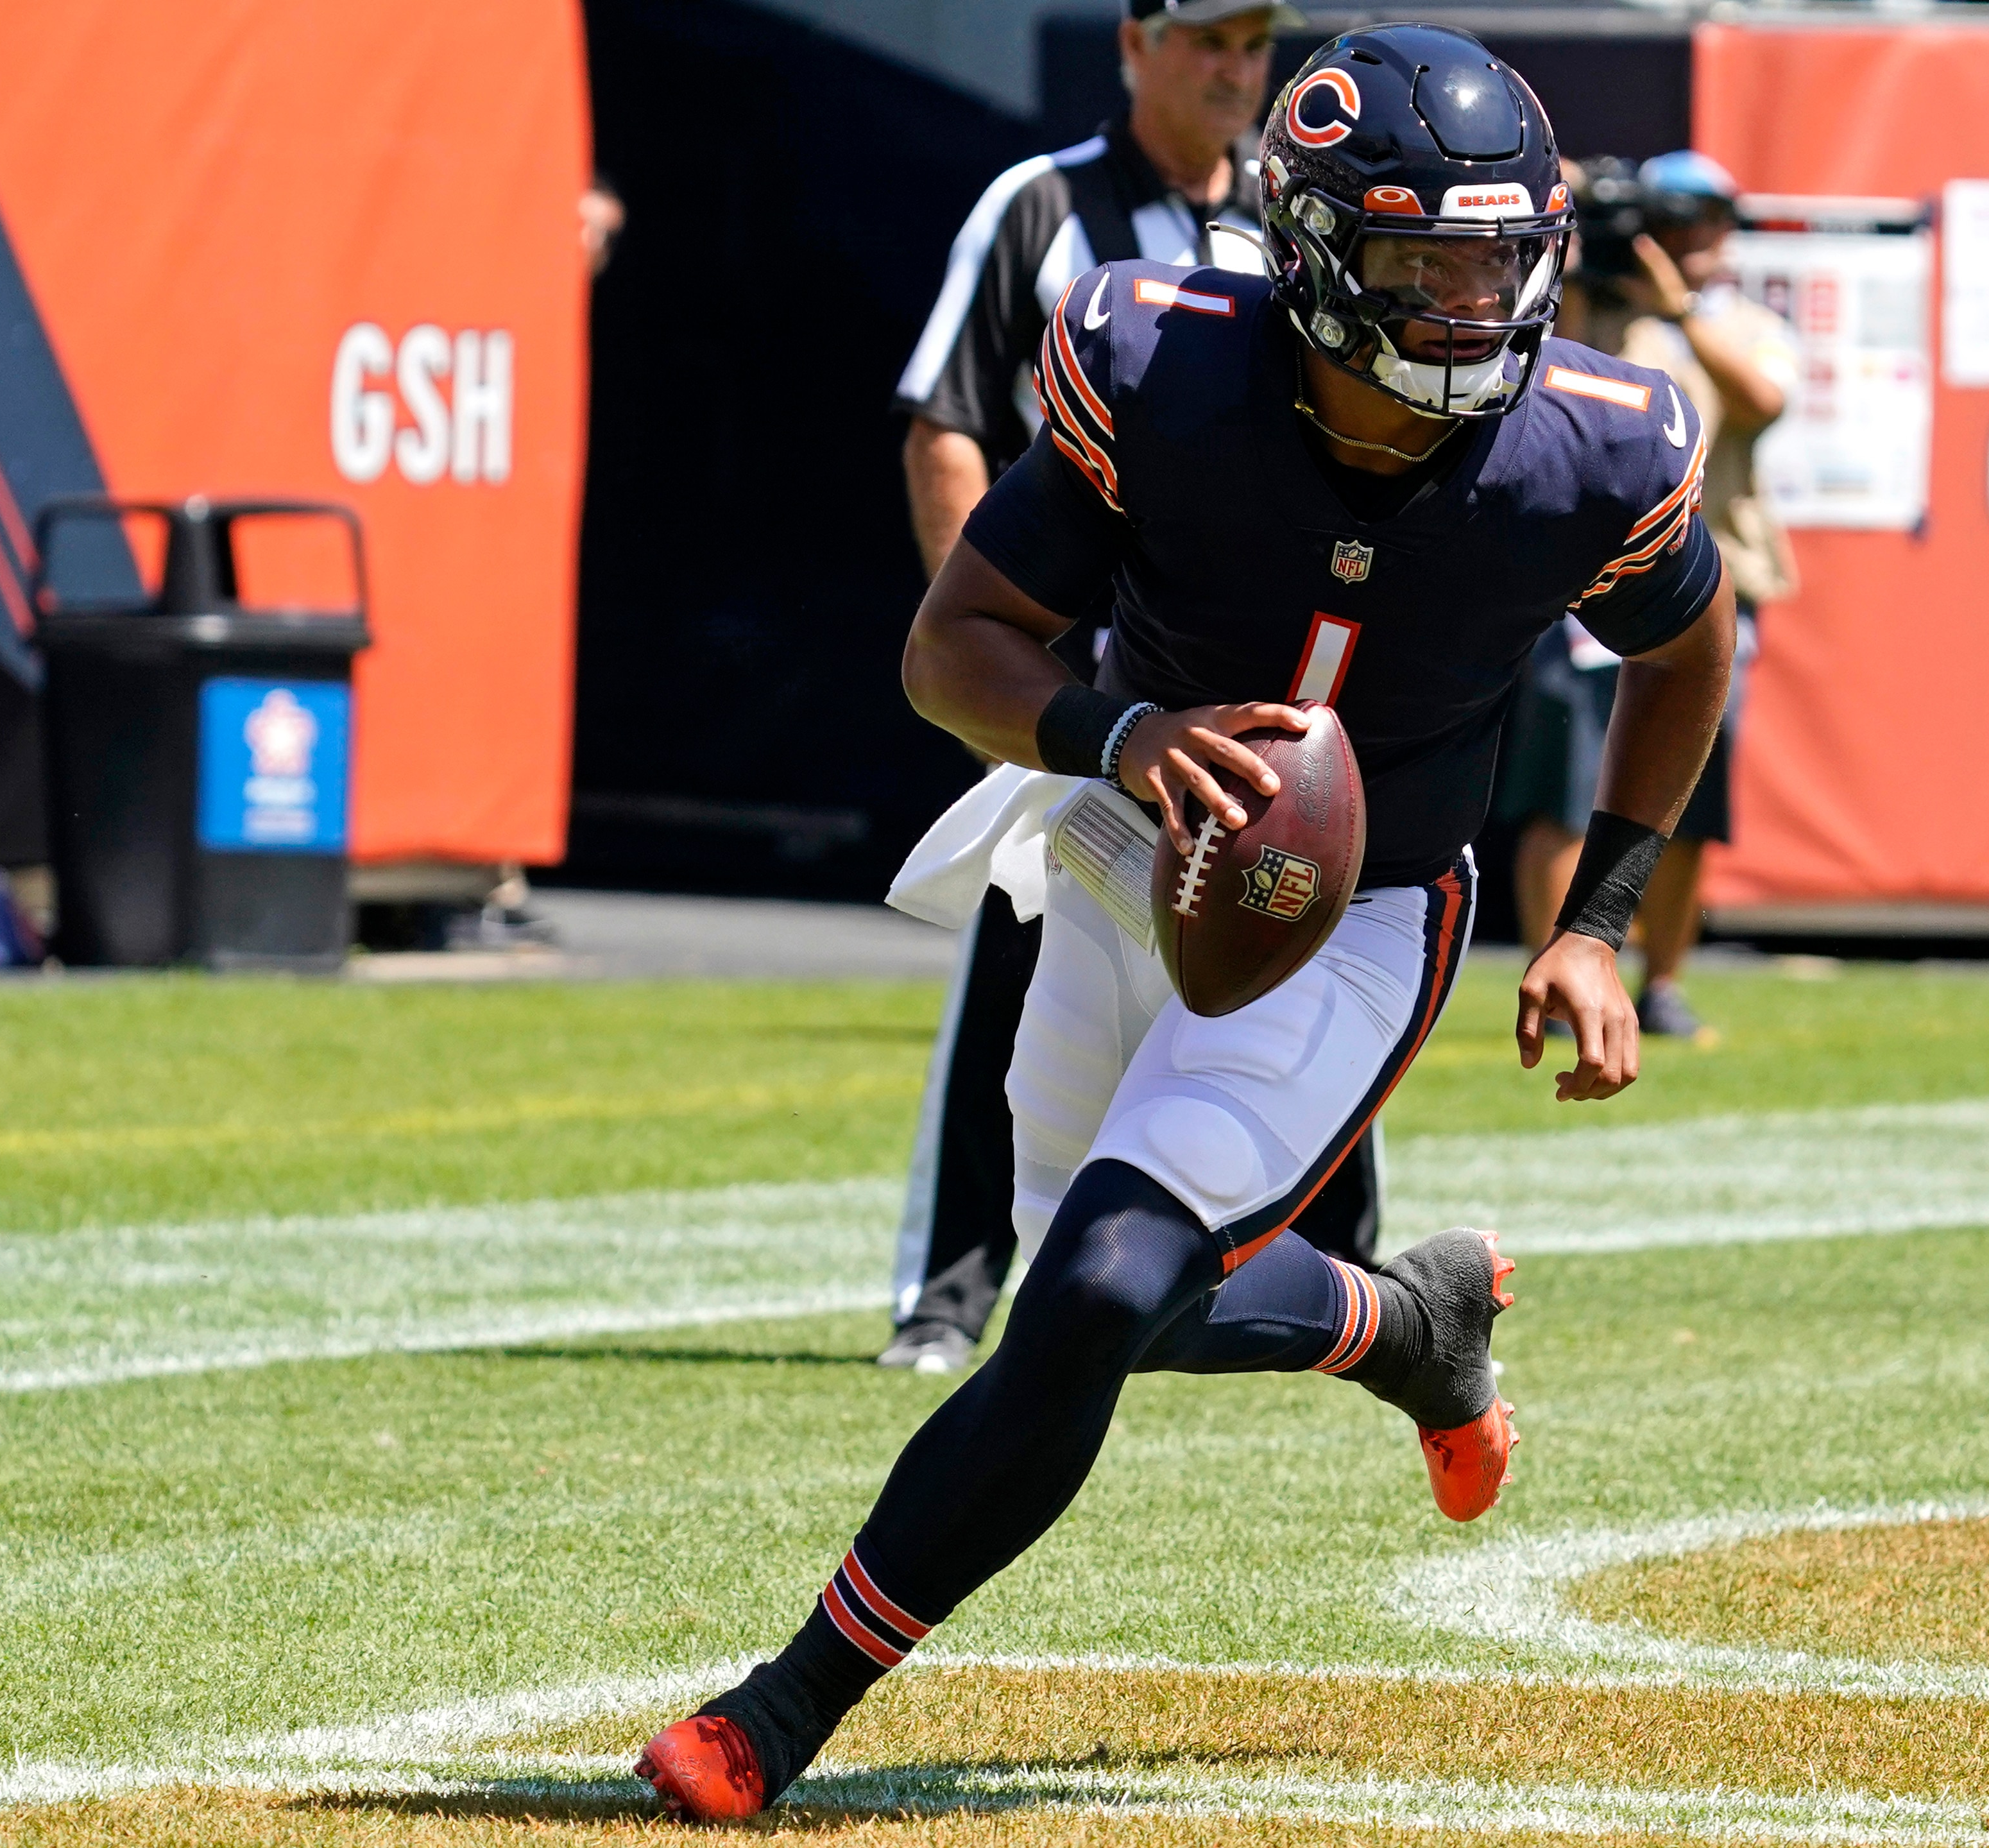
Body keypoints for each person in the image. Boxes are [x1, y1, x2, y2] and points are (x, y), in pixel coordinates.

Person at [635, 25, 1730, 1820]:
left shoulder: (1590, 454)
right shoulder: (1165, 368)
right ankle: (1409, 1329)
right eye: (1422, 262)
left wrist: (1598, 913)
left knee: (1094, 1296)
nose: (1472, 304)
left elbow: (1693, 643)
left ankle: (780, 1710)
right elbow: (953, 650)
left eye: (1499, 258)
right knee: (1120, 1303)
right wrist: (1123, 734)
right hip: (1125, 853)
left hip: (1370, 912)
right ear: (1311, 262)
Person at [881, 0, 1387, 1376]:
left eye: (1253, 43)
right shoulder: (1042, 208)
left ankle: (1341, 1273)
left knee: (1310, 927)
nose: (1235, 70)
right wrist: (1000, 656)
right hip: (1093, 677)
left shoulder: (1308, 210)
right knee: (1019, 962)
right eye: (1207, 40)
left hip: (1261, 665)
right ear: (1134, 43)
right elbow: (950, 415)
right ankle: (948, 1292)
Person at [1508, 150, 1792, 1042]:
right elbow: (1538, 380)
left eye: (1706, 221)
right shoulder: (1590, 307)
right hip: (1585, 582)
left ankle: (1660, 979)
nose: (1688, 239)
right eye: (1670, 224)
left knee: (1687, 795)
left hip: (1712, 585)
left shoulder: (1738, 322)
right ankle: (1554, 971)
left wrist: (1678, 309)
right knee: (1566, 784)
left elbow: (1762, 399)